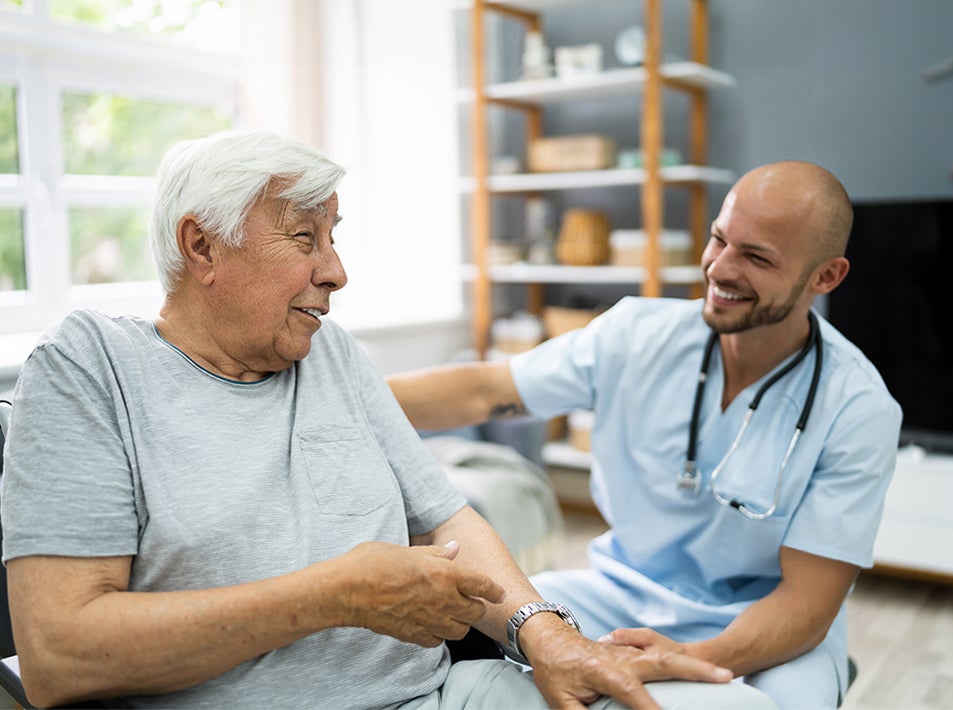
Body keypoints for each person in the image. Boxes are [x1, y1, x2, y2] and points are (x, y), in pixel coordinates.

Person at [0, 130, 777, 710]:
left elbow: (448, 519)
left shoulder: (331, 355)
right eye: (304, 237)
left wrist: (547, 634)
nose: (336, 270)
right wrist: (332, 595)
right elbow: (60, 654)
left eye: (334, 237)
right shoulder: (89, 366)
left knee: (735, 706)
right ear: (201, 247)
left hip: (436, 696)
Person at [388, 160, 904, 709]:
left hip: (763, 627)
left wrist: (684, 657)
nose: (720, 269)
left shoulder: (858, 408)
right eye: (719, 239)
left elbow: (806, 603)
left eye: (756, 258)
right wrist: (349, 393)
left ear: (826, 277)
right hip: (617, 594)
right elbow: (485, 390)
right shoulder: (634, 335)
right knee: (465, 630)